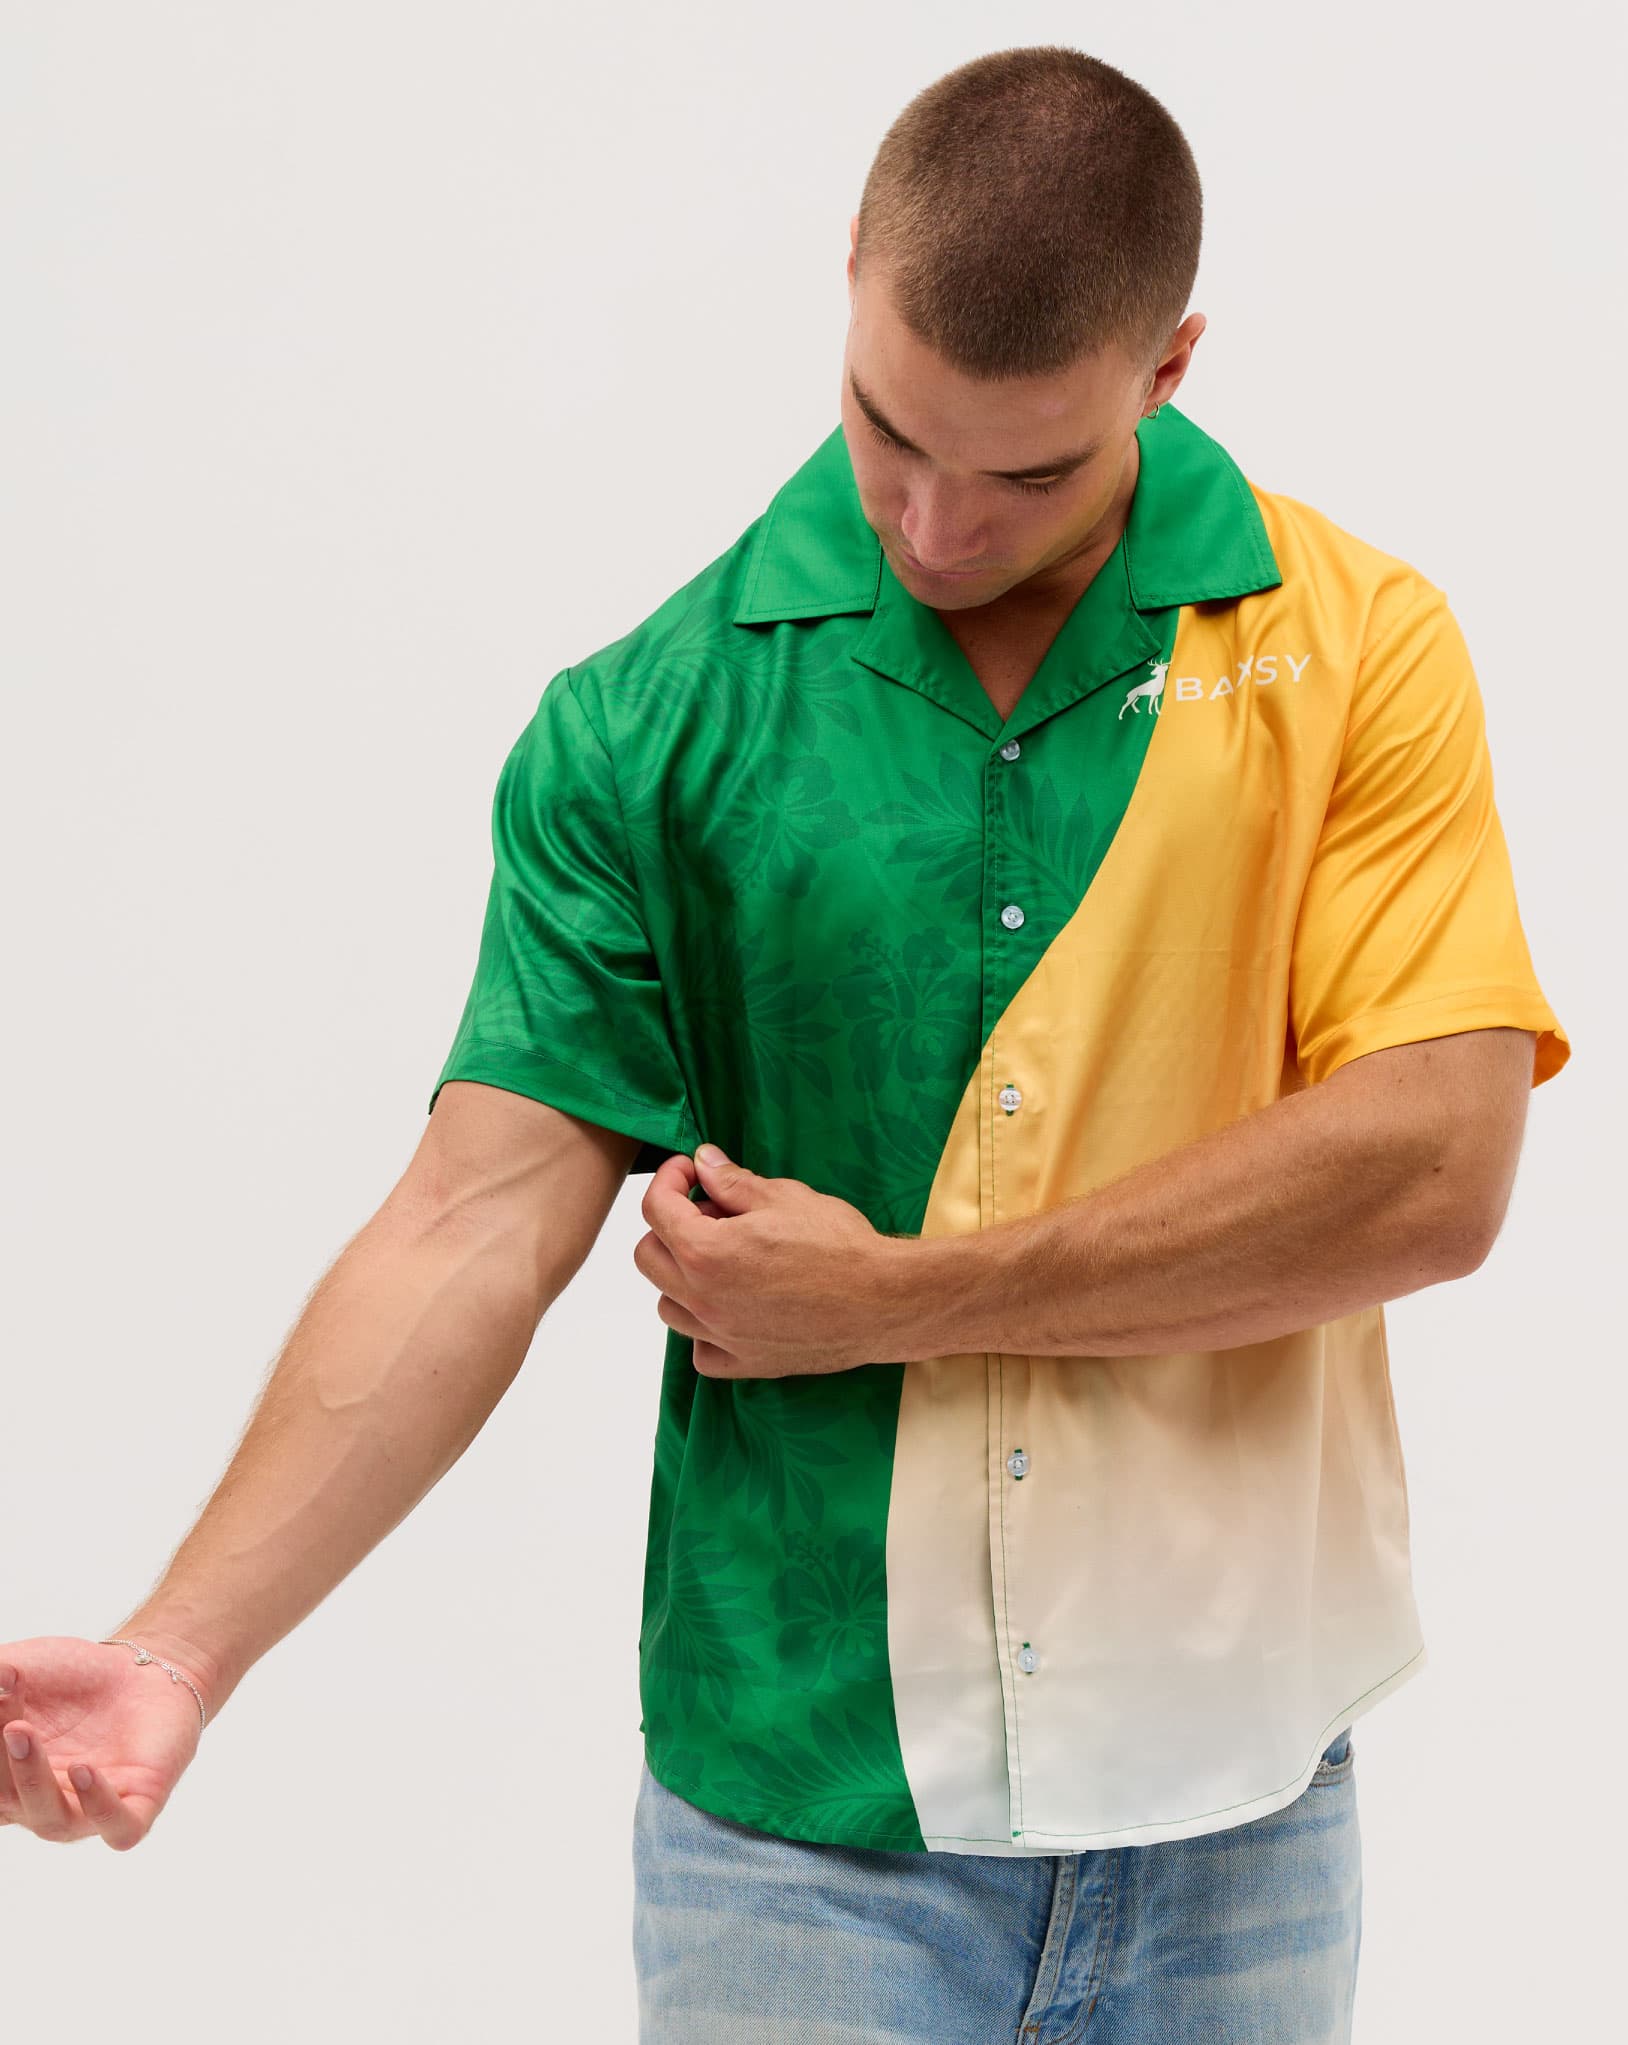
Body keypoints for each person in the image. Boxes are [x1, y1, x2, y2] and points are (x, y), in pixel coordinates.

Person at [0, 42, 1570, 2044]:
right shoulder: (646, 719)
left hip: (1241, 1803)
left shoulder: (1359, 647)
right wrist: (180, 1650)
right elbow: (471, 1220)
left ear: (1169, 367)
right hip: (799, 1832)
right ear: (847, 279)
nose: (935, 520)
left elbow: (1434, 1166)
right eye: (888, 428)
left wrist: (901, 1299)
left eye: (1028, 475)